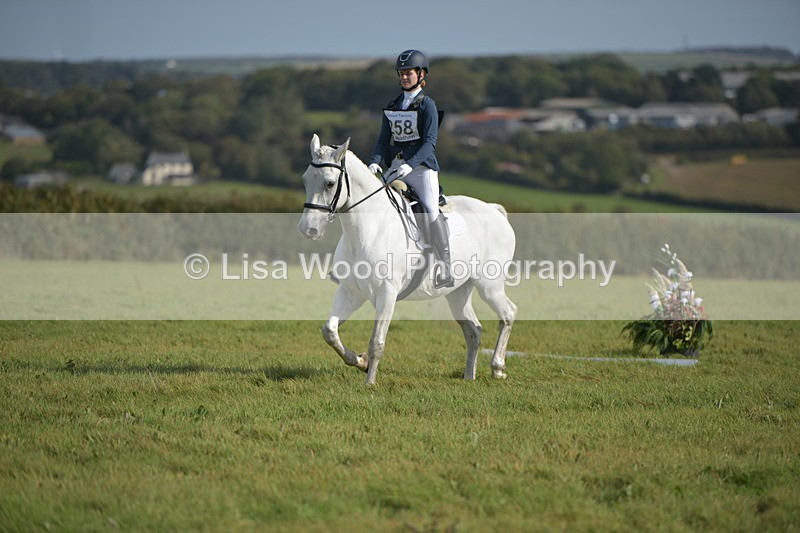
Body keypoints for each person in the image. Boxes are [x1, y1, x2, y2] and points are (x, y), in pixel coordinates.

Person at [368, 49, 454, 288]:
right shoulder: (393, 105)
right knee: (370, 203)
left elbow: (430, 142)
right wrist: (375, 160)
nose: (405, 77)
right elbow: (383, 140)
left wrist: (411, 164)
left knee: (430, 210)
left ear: (421, 73)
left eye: (409, 73)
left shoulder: (427, 105)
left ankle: (446, 268)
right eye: (402, 73)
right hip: (396, 166)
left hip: (422, 168)